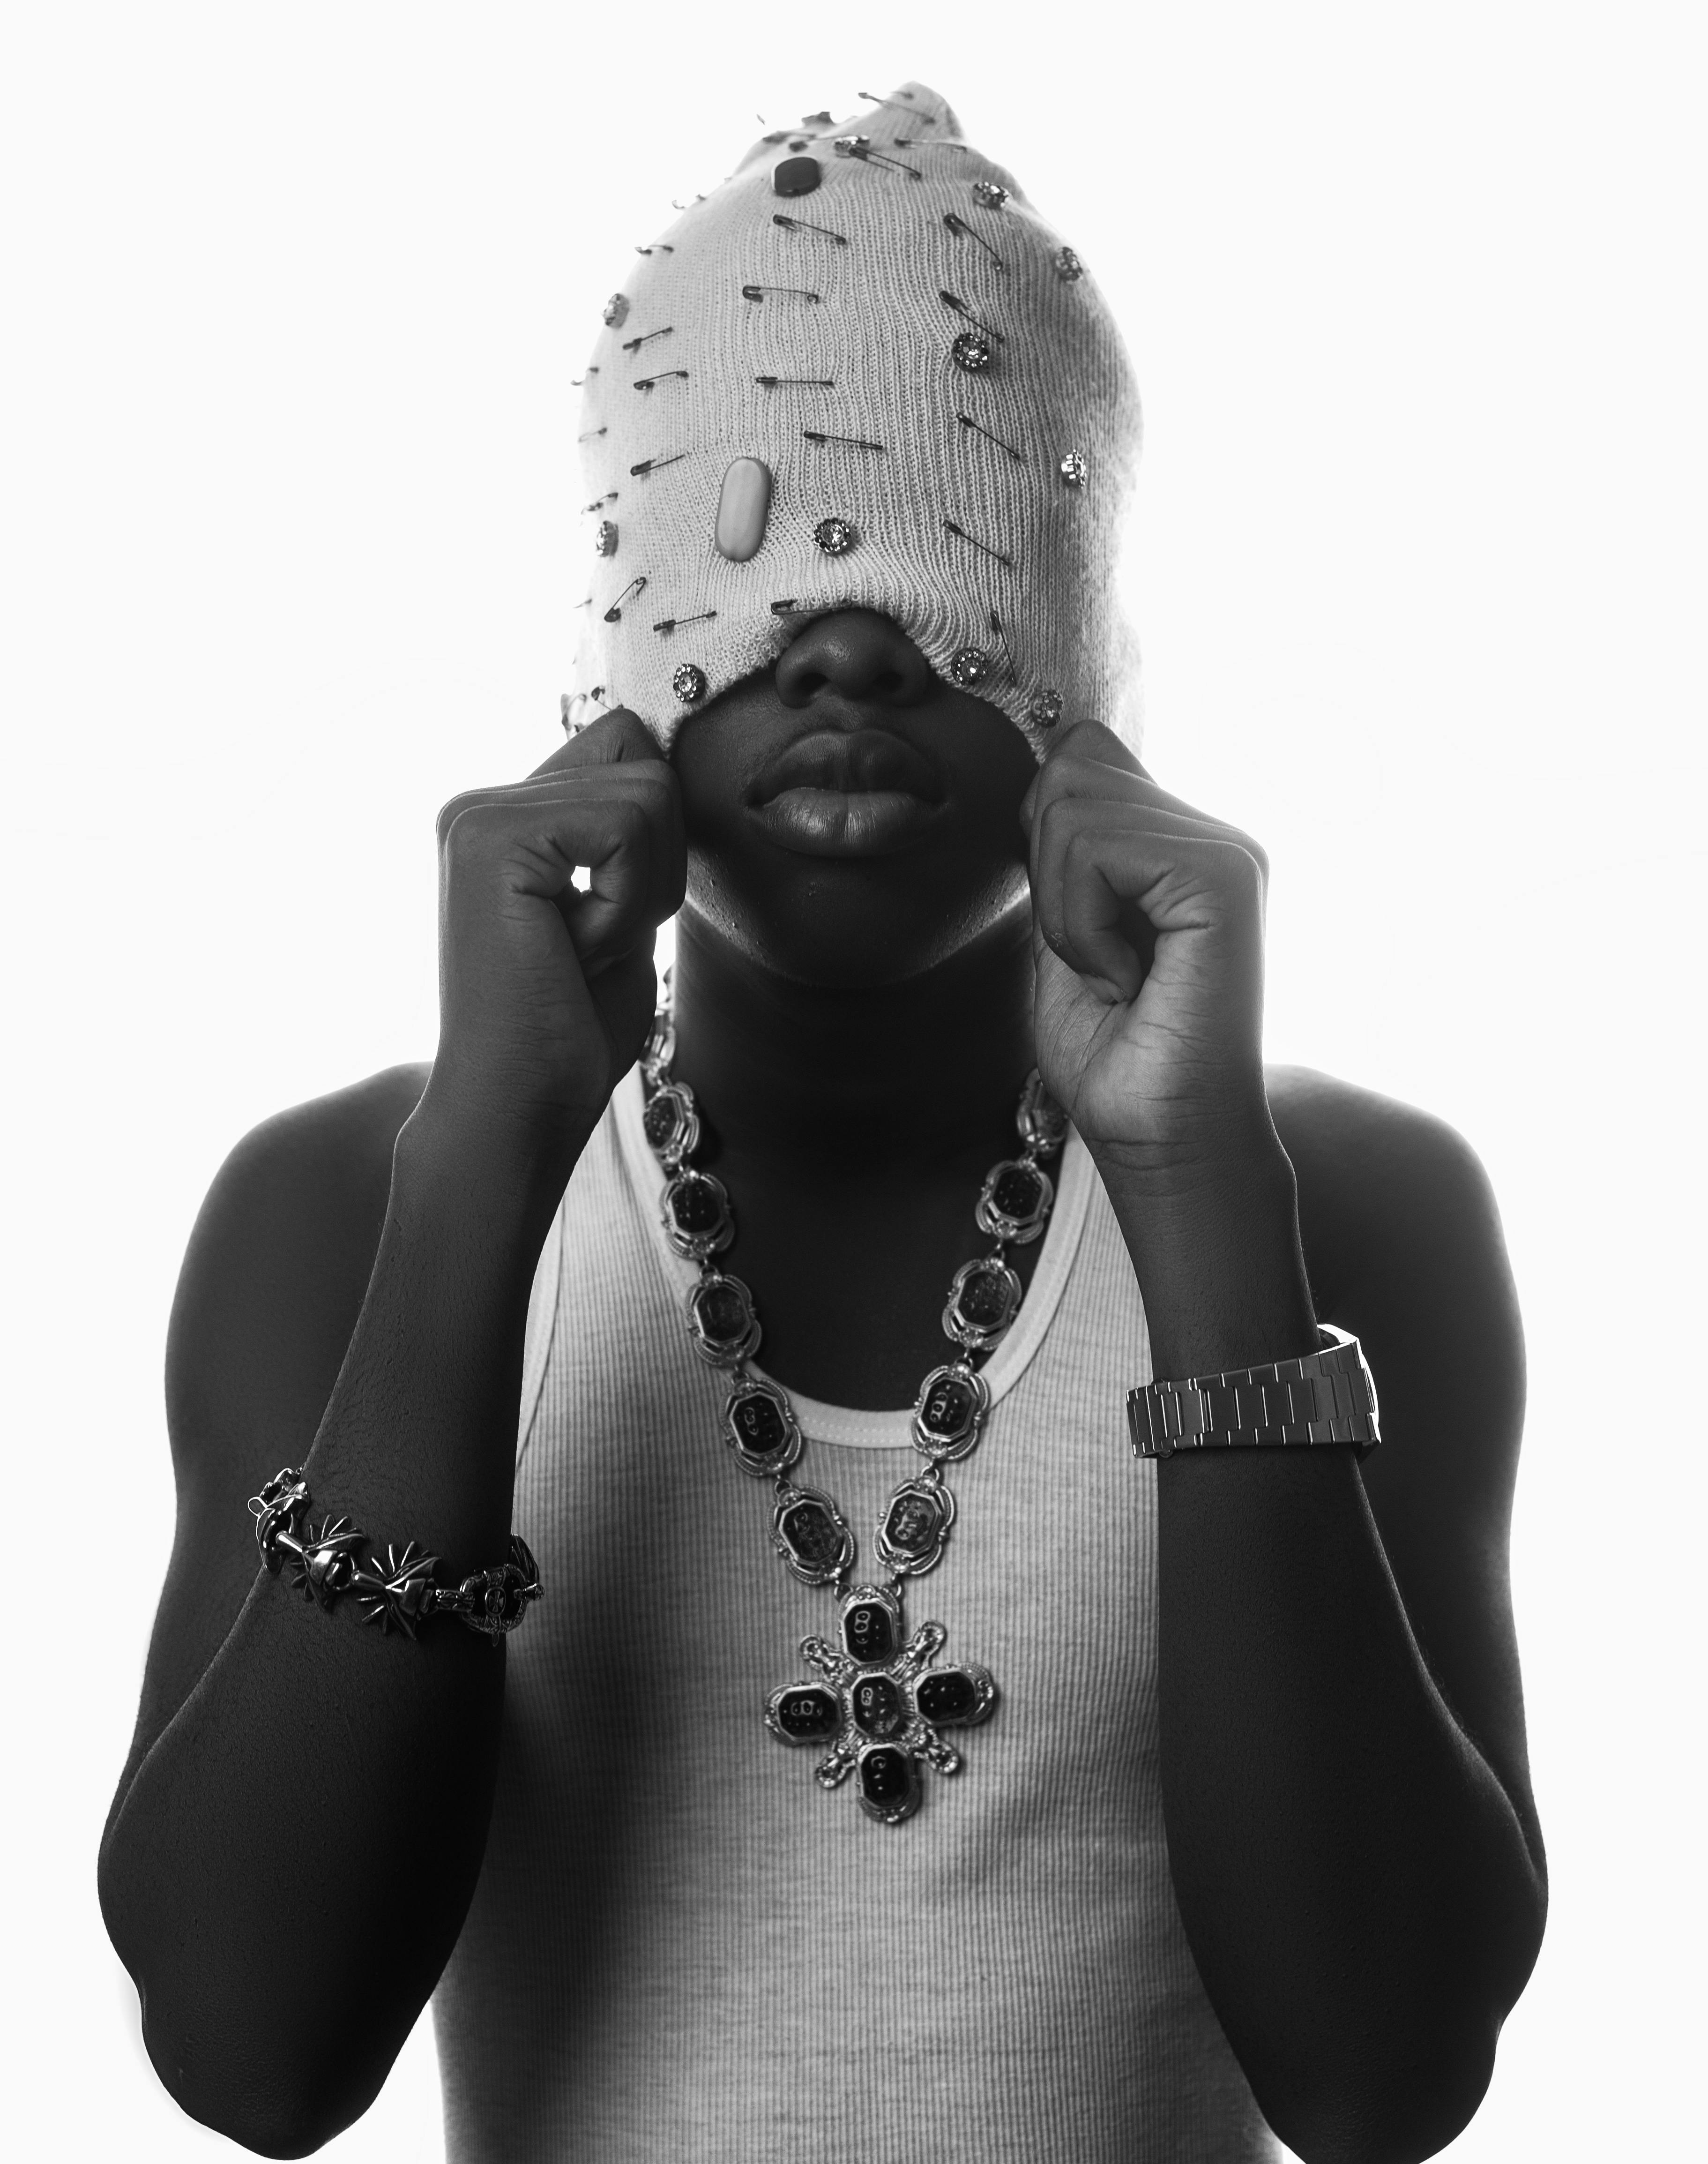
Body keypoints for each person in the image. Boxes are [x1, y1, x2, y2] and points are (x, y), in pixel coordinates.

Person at [99, 84, 1545, 2164]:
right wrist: (483, 1172)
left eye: (953, 540)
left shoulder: (1353, 1206)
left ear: (1087, 635)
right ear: (616, 635)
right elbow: (254, 2054)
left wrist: (1203, 1192)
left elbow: (1383, 2080)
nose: (849, 646)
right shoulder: (342, 1204)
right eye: (754, 549)